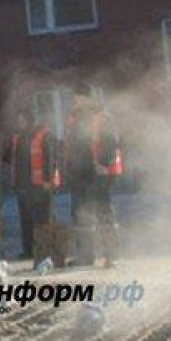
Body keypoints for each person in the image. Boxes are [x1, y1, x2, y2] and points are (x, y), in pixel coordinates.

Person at [64, 84, 123, 268]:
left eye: (76, 97)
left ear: (86, 98)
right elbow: (72, 145)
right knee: (81, 216)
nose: (73, 100)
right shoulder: (73, 119)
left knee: (103, 213)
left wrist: (103, 164)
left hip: (98, 173)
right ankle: (85, 256)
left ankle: (111, 256)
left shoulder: (101, 117)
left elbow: (111, 142)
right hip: (79, 173)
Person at [3, 111, 59, 259]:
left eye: (22, 119)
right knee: (26, 219)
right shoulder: (18, 137)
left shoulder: (44, 135)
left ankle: (46, 251)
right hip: (23, 185)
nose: (20, 123)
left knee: (43, 219)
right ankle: (29, 250)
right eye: (19, 120)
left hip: (40, 185)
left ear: (30, 120)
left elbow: (51, 158)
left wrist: (48, 179)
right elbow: (10, 157)